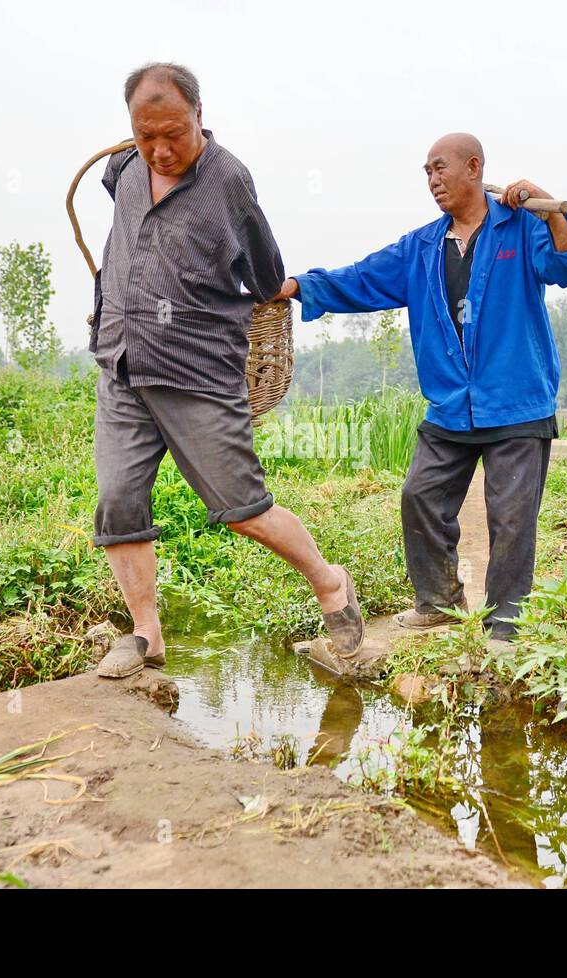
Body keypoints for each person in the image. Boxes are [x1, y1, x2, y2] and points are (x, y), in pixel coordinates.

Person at [90, 62, 365, 678]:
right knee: (118, 500)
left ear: (199, 116)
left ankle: (330, 582)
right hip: (123, 360)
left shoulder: (230, 181)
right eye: (146, 135)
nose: (161, 150)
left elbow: (266, 274)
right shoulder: (126, 170)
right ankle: (145, 636)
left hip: (197, 370)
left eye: (174, 134)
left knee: (242, 508)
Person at [278, 133, 567, 647]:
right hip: (452, 405)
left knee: (511, 519)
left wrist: (550, 210)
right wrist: (297, 286)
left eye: (440, 168)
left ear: (474, 167)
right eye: (426, 171)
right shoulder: (422, 247)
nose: (433, 180)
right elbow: (360, 279)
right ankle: (440, 603)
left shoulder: (521, 228)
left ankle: (505, 625)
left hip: (516, 403)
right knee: (420, 495)